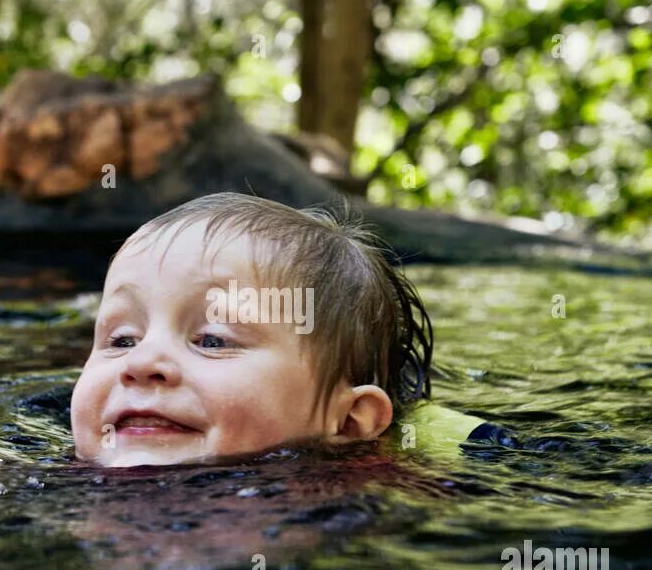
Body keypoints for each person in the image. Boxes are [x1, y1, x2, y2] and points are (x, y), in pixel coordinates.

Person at [70, 191, 486, 467]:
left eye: (212, 340)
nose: (140, 363)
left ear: (348, 422)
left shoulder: (366, 506)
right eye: (122, 340)